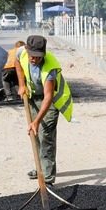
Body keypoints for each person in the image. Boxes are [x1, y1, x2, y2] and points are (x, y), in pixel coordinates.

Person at [15, 35, 74, 185]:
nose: (34, 59)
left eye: (38, 57)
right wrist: (21, 84)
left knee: (45, 134)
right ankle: (40, 168)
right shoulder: (21, 52)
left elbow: (48, 97)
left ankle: (47, 179)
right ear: (27, 50)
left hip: (52, 100)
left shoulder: (50, 67)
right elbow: (16, 61)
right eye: (32, 56)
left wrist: (37, 121)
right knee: (35, 134)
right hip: (33, 96)